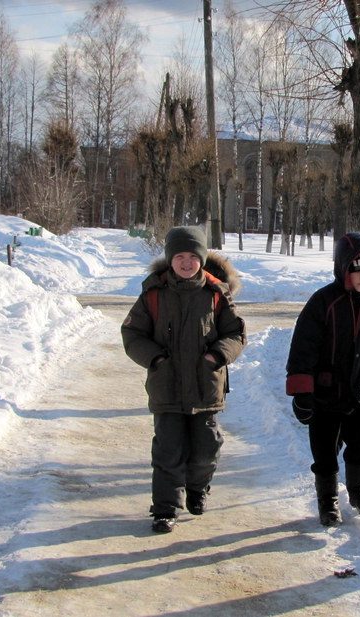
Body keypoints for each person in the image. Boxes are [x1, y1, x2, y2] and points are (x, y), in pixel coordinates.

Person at [122, 226, 246, 533]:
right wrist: (155, 359)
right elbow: (132, 333)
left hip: (206, 388)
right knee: (167, 450)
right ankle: (164, 508)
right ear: (170, 259)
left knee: (207, 448)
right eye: (180, 256)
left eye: (193, 256)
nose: (187, 263)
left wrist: (217, 356)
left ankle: (197, 488)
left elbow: (236, 333)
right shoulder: (153, 294)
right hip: (166, 388)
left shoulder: (216, 295)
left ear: (202, 259)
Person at [285, 231, 360, 526]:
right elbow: (304, 345)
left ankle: (359, 492)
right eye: (356, 269)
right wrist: (302, 390)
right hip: (327, 393)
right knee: (325, 451)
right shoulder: (324, 301)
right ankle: (327, 502)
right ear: (343, 269)